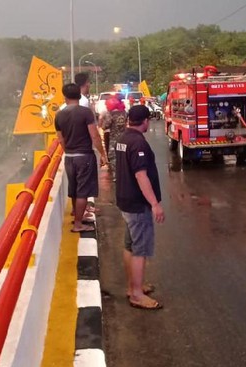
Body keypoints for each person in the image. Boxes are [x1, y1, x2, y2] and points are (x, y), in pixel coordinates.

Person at [116, 105, 165, 310]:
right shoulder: (138, 143)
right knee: (140, 250)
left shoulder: (122, 139)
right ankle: (136, 294)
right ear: (145, 121)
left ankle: (133, 286)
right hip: (137, 204)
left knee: (130, 245)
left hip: (125, 201)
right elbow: (141, 175)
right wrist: (154, 204)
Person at [55, 83, 108, 233]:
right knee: (83, 191)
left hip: (70, 157)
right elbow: (95, 136)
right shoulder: (85, 113)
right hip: (84, 156)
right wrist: (102, 154)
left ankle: (76, 214)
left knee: (74, 188)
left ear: (64, 96)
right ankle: (78, 223)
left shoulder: (59, 115)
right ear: (79, 95)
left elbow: (60, 140)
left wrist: (69, 151)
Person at [98, 97, 127, 172]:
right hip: (124, 138)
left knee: (113, 157)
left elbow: (105, 126)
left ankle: (116, 174)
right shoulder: (124, 112)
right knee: (124, 156)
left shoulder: (111, 114)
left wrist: (101, 122)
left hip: (114, 139)